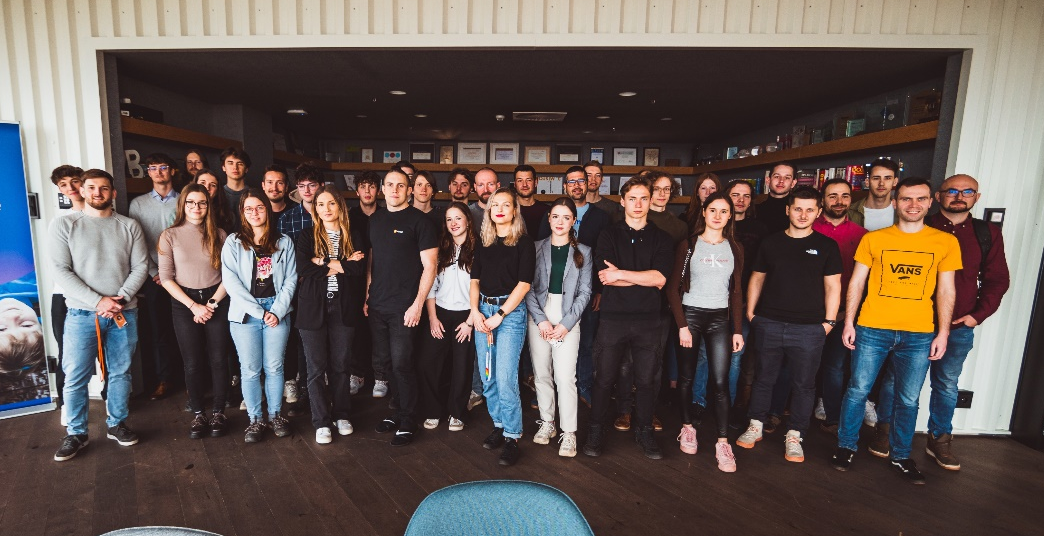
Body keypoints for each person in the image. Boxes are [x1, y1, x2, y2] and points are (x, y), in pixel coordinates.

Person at [872, 174, 1009, 471]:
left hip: (958, 325)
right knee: (895, 381)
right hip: (912, 323)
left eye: (967, 191)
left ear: (977, 197)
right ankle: (884, 433)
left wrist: (977, 315)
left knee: (946, 384)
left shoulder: (987, 234)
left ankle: (939, 441)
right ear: (938, 196)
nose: (959, 196)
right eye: (952, 191)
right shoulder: (920, 225)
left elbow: (997, 279)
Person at [830, 177, 962, 485]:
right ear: (895, 202)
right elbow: (857, 283)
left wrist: (942, 333)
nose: (913, 205)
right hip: (873, 327)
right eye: (906, 199)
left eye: (920, 199)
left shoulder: (944, 242)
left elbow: (946, 291)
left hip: (918, 333)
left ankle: (902, 456)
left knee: (908, 398)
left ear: (931, 202)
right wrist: (849, 321)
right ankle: (845, 446)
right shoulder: (875, 239)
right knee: (858, 389)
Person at [736, 186, 842, 463]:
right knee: (763, 379)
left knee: (804, 385)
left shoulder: (827, 246)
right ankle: (755, 425)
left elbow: (833, 286)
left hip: (810, 328)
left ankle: (795, 434)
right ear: (788, 210)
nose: (803, 214)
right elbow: (756, 278)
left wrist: (829, 322)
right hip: (769, 322)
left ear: (818, 212)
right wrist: (751, 314)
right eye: (797, 208)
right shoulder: (770, 243)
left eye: (809, 209)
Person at [50, 169, 149, 461]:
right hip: (82, 313)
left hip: (123, 312)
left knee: (120, 372)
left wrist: (120, 298)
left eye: (104, 188)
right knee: (76, 375)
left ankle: (117, 424)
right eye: (91, 188)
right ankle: (76, 433)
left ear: (113, 193)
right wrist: (99, 301)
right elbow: (60, 270)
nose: (97, 193)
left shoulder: (129, 226)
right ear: (82, 191)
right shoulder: (64, 225)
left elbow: (141, 267)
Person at [583, 176, 674, 460]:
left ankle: (644, 430)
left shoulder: (663, 238)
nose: (638, 204)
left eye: (643, 198)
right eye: (632, 198)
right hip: (613, 319)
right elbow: (604, 278)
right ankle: (596, 430)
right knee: (603, 378)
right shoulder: (608, 235)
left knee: (647, 380)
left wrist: (621, 273)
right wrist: (640, 278)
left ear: (651, 201)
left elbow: (659, 279)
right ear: (622, 202)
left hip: (649, 320)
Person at [667, 192, 745, 471]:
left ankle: (723, 443)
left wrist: (737, 330)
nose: (717, 216)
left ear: (729, 216)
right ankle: (688, 427)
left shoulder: (734, 247)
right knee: (687, 377)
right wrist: (682, 326)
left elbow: (736, 292)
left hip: (719, 319)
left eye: (724, 211)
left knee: (721, 381)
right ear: (704, 211)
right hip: (691, 314)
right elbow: (673, 289)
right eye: (713, 210)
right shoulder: (688, 245)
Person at [367, 169, 438, 447]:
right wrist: (367, 296)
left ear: (409, 190)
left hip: (405, 307)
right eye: (390, 185)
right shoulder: (375, 220)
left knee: (402, 363)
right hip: (378, 305)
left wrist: (417, 304)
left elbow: (430, 267)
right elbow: (372, 261)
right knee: (386, 363)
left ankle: (409, 420)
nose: (394, 190)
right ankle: (397, 412)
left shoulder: (420, 222)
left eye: (400, 185)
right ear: (382, 189)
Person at [221, 190, 298, 443]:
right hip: (246, 315)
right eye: (249, 209)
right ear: (242, 213)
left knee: (275, 368)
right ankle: (255, 420)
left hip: (277, 310)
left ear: (267, 210)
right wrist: (260, 312)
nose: (255, 213)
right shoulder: (233, 242)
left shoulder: (284, 241)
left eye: (260, 208)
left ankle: (276, 415)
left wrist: (275, 311)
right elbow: (231, 283)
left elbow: (291, 279)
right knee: (251, 370)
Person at [295, 188, 368, 444]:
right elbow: (302, 267)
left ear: (340, 207)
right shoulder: (306, 236)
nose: (326, 208)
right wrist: (340, 263)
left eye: (331, 203)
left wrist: (321, 262)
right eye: (321, 204)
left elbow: (357, 269)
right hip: (313, 308)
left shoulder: (353, 235)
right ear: (315, 208)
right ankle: (321, 422)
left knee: (341, 365)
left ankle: (341, 414)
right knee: (315, 369)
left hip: (343, 307)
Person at [157, 184, 231, 439]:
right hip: (183, 302)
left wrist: (211, 304)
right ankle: (199, 412)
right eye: (190, 202)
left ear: (208, 206)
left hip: (217, 300)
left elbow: (229, 276)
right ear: (183, 205)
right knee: (192, 362)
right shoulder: (169, 235)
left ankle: (219, 411)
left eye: (202, 203)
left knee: (220, 359)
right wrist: (193, 306)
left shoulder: (220, 234)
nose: (196, 207)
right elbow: (166, 278)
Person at [469, 187, 535, 466]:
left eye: (505, 205)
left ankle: (512, 435)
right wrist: (474, 311)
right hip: (482, 311)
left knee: (506, 377)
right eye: (494, 205)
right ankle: (498, 423)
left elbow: (524, 283)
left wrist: (501, 314)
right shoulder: (483, 241)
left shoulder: (523, 242)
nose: (499, 209)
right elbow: (474, 280)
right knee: (488, 377)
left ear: (514, 210)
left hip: (509, 314)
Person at [538, 166, 610, 407]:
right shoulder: (545, 232)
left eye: (582, 180)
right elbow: (540, 264)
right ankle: (549, 400)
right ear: (565, 185)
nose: (577, 185)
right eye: (572, 181)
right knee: (545, 362)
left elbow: (602, 255)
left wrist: (598, 290)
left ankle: (584, 388)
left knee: (585, 343)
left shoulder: (600, 217)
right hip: (548, 300)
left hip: (583, 293)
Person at [526, 198, 592, 458]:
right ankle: (548, 423)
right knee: (541, 375)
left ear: (573, 221)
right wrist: (540, 319)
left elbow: (585, 292)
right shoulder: (535, 248)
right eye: (556, 216)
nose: (560, 222)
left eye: (566, 217)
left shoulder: (584, 251)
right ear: (549, 219)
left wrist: (565, 325)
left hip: (568, 318)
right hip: (539, 315)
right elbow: (527, 286)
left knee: (565, 378)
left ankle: (569, 432)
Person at [812, 179, 868, 433]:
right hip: (808, 312)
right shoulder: (808, 226)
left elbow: (863, 280)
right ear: (822, 199)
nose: (839, 201)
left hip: (845, 312)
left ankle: (832, 416)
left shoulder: (861, 235)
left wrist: (848, 313)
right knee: (800, 364)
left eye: (845, 196)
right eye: (832, 196)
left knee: (835, 366)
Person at [417, 202, 477, 433]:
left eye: (458, 218)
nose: (453, 223)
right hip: (439, 312)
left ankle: (457, 412)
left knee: (461, 367)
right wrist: (432, 318)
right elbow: (431, 285)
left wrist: (470, 321)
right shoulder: (440, 248)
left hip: (467, 315)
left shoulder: (478, 249)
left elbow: (481, 290)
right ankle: (433, 410)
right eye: (449, 219)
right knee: (428, 364)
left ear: (468, 221)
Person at [128, 153, 180, 401]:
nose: (159, 172)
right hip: (154, 277)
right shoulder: (137, 204)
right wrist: (155, 273)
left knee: (186, 326)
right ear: (147, 172)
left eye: (163, 167)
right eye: (153, 168)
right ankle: (164, 379)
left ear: (173, 171)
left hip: (184, 276)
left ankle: (190, 377)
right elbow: (137, 244)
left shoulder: (185, 201)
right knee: (159, 330)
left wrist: (175, 273)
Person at [277, 163, 322, 407]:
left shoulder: (331, 212)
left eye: (311, 185)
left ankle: (316, 383)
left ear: (321, 186)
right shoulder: (287, 218)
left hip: (328, 285)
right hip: (297, 286)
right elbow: (282, 257)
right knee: (298, 336)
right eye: (302, 186)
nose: (306, 190)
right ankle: (300, 384)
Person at [725, 180, 769, 421]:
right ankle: (700, 403)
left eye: (745, 195)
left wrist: (749, 302)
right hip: (715, 301)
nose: (740, 199)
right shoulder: (717, 223)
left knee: (736, 356)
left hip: (746, 303)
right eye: (735, 194)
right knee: (705, 355)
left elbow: (762, 270)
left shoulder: (760, 229)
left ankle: (730, 406)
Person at [48, 164, 84, 419]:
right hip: (63, 295)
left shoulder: (107, 216)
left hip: (101, 297)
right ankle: (66, 406)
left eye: (74, 181)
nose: (70, 188)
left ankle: (109, 400)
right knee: (67, 353)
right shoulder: (59, 222)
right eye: (63, 185)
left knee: (106, 353)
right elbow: (60, 267)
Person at [348, 170, 381, 396]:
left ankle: (381, 375)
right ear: (357, 190)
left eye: (371, 186)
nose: (367, 191)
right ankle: (357, 374)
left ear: (378, 189)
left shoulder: (386, 215)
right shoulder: (349, 216)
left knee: (378, 329)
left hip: (383, 278)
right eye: (363, 186)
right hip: (355, 278)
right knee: (357, 327)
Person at [848, 158, 900, 231]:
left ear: (895, 181)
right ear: (867, 182)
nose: (881, 183)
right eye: (876, 178)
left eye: (887, 178)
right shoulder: (849, 211)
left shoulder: (901, 211)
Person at [756, 163, 797, 233]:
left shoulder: (798, 211)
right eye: (777, 176)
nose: (781, 181)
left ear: (793, 183)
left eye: (787, 178)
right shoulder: (755, 210)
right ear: (768, 180)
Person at [514, 164, 550, 239]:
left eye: (529, 180)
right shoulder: (508, 210)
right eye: (520, 181)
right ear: (515, 184)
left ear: (536, 182)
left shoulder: (547, 211)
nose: (524, 185)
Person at [220, 147, 252, 228]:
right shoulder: (218, 193)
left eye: (240, 163)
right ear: (223, 167)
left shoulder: (253, 195)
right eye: (230, 163)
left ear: (246, 169)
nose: (235, 167)